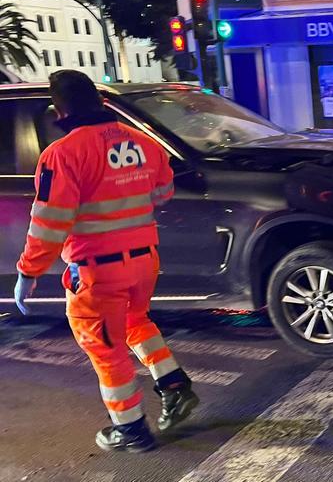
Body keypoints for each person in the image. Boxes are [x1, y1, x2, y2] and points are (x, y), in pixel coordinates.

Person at [13, 70, 199, 453]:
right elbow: (163, 192)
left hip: (98, 270)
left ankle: (130, 429)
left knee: (104, 349)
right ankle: (174, 383)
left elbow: (49, 222)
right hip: (144, 260)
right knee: (135, 322)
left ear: (59, 111)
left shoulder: (62, 154)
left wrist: (28, 271)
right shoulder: (143, 143)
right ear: (100, 102)